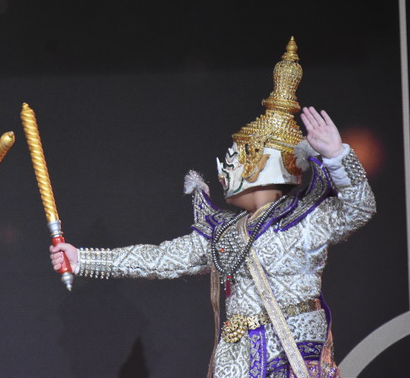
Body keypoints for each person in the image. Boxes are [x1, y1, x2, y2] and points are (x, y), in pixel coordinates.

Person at [50, 38, 376, 378]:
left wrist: (338, 156)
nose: (225, 169)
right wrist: (82, 259)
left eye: (234, 157)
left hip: (291, 357)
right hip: (236, 361)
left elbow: (359, 207)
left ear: (259, 164)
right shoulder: (224, 234)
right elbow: (159, 258)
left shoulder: (305, 221)